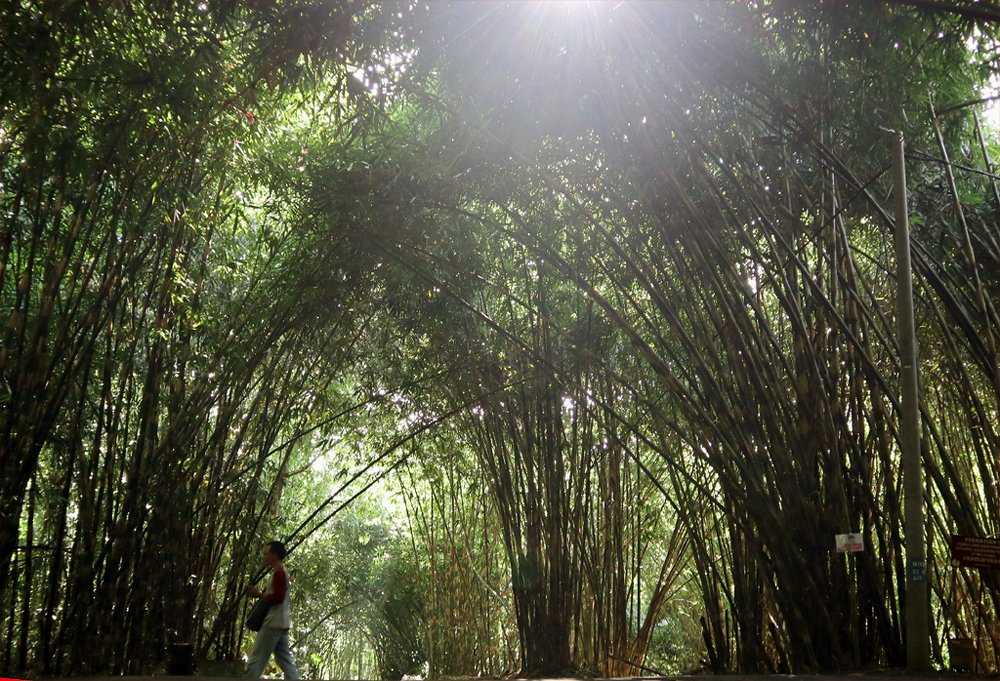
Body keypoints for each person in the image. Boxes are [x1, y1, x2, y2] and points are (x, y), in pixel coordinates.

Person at [246, 540, 299, 679]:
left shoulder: (279, 573)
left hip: (273, 622)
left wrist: (259, 594)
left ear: (275, 555)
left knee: (256, 661)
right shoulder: (281, 572)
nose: (264, 557)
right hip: (282, 622)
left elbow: (278, 597)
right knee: (286, 661)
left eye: (266, 554)